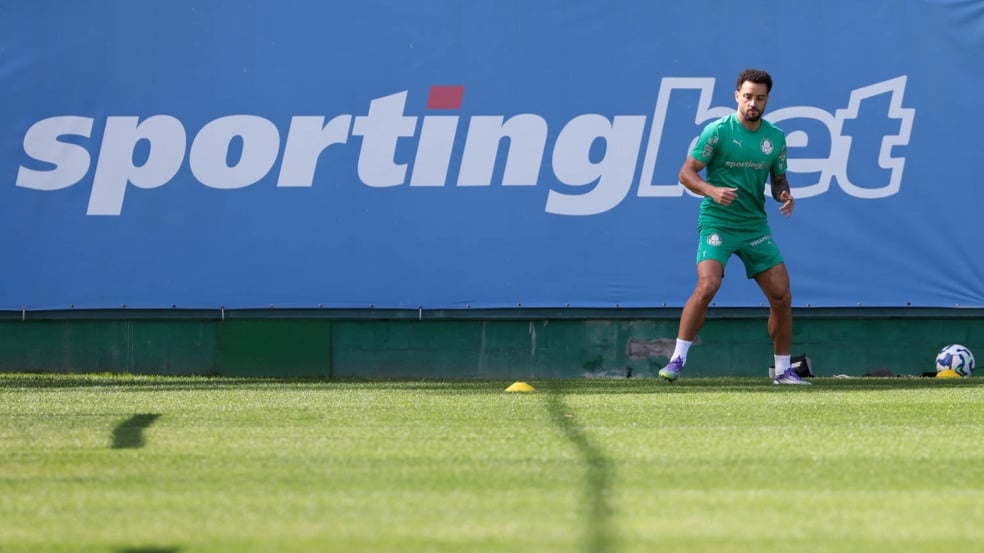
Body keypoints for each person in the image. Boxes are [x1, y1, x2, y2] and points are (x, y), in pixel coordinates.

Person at [658, 68, 810, 385]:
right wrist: (712, 191)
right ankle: (676, 360)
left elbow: (778, 178)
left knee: (782, 297)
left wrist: (784, 194)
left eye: (760, 98)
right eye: (747, 97)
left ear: (767, 99)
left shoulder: (776, 138)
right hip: (718, 221)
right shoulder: (717, 132)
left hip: (754, 226)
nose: (753, 103)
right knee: (708, 285)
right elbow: (686, 173)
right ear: (736, 96)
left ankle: (782, 371)